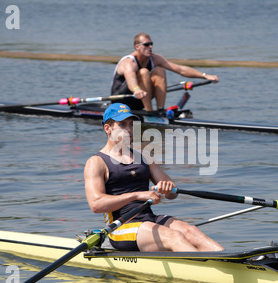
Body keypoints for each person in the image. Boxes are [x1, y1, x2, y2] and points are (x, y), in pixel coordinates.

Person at [84, 103, 224, 252]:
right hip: (121, 227)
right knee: (174, 237)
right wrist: (136, 195)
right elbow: (96, 204)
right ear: (108, 128)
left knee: (192, 232)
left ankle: (231, 262)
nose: (129, 130)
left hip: (148, 219)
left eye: (131, 125)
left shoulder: (143, 156)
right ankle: (204, 272)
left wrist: (168, 188)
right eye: (122, 125)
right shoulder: (96, 162)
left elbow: (172, 194)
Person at [111, 33, 219, 111]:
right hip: (121, 101)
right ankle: (149, 112)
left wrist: (205, 75)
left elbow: (180, 69)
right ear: (137, 47)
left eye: (151, 44)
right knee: (144, 72)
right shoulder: (129, 62)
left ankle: (160, 109)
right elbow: (131, 79)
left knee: (159, 71)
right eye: (147, 44)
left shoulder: (155, 58)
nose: (150, 47)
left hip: (141, 99)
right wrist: (136, 89)